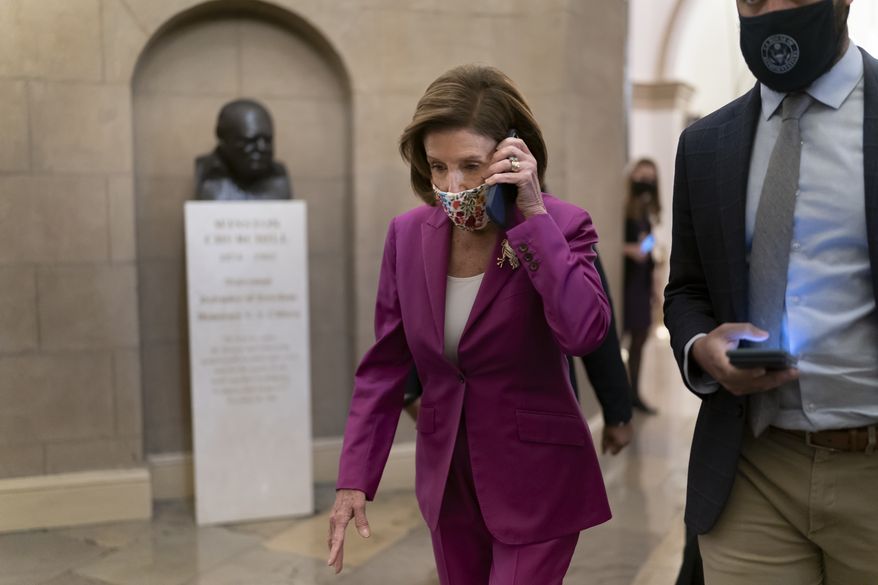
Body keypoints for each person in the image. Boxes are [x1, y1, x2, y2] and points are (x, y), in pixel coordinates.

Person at [327, 64, 612, 584]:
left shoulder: (563, 225)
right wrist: (354, 479)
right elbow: (384, 369)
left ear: (512, 156)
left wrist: (531, 214)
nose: (452, 186)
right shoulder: (406, 235)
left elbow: (584, 333)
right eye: (437, 167)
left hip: (536, 478)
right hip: (448, 480)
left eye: (470, 165)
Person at [664, 0, 878, 582]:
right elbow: (686, 289)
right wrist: (701, 346)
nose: (771, 11)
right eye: (753, 0)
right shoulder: (705, 144)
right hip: (753, 468)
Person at [406, 251, 635, 455]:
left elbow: (590, 317)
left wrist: (617, 410)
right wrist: (409, 390)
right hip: (459, 424)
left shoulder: (558, 222)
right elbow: (418, 309)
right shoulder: (435, 226)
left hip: (542, 419)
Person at [622, 158, 662, 414]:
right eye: (641, 176)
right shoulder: (623, 207)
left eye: (650, 178)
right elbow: (612, 241)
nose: (645, 182)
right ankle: (622, 395)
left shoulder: (645, 211)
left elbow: (648, 246)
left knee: (640, 338)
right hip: (624, 281)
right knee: (625, 338)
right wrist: (630, 250)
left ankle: (634, 393)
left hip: (641, 281)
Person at [195, 99, 292, 200]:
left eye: (267, 140)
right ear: (222, 136)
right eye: (250, 141)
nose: (262, 148)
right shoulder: (207, 173)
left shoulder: (278, 175)